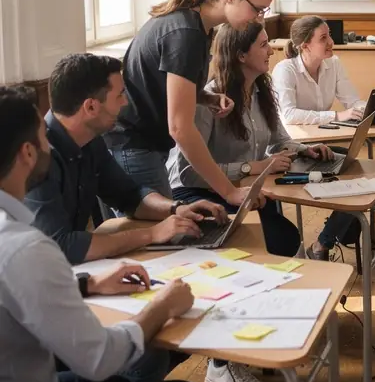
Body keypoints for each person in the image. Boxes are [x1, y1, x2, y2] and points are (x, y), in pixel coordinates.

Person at [0, 85, 206, 382]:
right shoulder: (27, 247)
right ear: (27, 152)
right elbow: (98, 357)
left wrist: (88, 285)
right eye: (42, 137)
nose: (50, 144)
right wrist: (163, 307)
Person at [168, 22, 340, 382]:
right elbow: (186, 170)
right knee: (273, 244)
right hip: (202, 194)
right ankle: (221, 363)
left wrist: (302, 151)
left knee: (283, 240)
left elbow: (279, 139)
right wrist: (250, 170)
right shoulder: (210, 99)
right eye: (264, 45)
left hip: (244, 193)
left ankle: (261, 330)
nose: (271, 51)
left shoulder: (261, 90)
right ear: (241, 54)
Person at [106, 0, 277, 208]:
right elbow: (179, 128)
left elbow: (169, 87)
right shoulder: (186, 34)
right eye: (257, 9)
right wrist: (229, 192)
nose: (260, 18)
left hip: (143, 146)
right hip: (134, 146)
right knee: (162, 240)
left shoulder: (198, 25)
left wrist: (206, 98)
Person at [26, 53, 226, 264]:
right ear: (91, 107)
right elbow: (61, 246)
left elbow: (129, 195)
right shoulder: (36, 156)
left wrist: (176, 208)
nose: (125, 103)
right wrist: (150, 234)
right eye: (119, 95)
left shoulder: (91, 140)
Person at [272, 16, 375, 259]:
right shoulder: (285, 70)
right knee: (363, 178)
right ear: (305, 45)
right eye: (323, 38)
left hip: (318, 147)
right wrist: (335, 114)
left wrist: (372, 108)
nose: (331, 41)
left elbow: (352, 102)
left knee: (364, 174)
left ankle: (325, 246)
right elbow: (288, 115)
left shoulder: (334, 64)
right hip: (293, 152)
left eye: (329, 34)